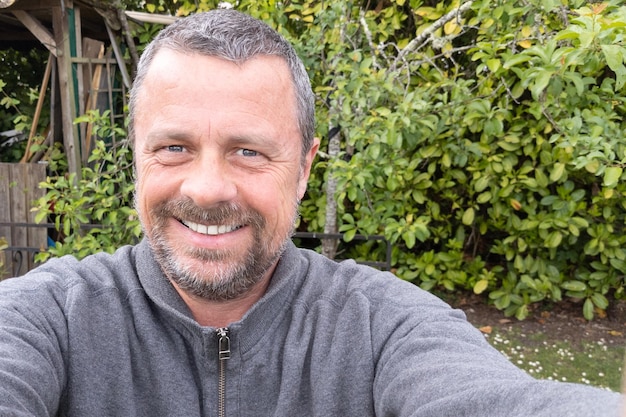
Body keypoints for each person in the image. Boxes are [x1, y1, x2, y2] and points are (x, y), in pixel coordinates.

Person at [0, 9, 623, 417]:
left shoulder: (384, 328)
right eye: (173, 147)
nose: (210, 188)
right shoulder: (49, 317)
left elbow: (499, 402)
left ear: (304, 168)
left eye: (249, 152)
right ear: (136, 157)